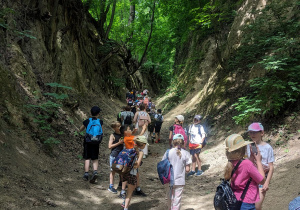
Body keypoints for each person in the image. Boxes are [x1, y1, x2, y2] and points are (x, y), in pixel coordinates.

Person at [224, 134, 266, 209]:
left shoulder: (231, 163)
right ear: (242, 149)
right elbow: (262, 181)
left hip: (235, 201)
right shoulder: (247, 164)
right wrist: (258, 161)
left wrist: (252, 158)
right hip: (247, 203)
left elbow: (244, 172)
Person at [246, 122, 274, 210]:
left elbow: (271, 167)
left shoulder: (267, 147)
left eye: (254, 132)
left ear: (261, 133)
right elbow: (248, 164)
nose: (252, 134)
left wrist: (267, 182)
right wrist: (251, 156)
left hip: (262, 179)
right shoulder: (248, 146)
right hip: (251, 179)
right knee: (252, 205)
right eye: (250, 132)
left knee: (257, 206)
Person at [162, 134, 192, 210]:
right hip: (180, 181)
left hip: (168, 180)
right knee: (177, 200)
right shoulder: (186, 153)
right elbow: (187, 169)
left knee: (169, 198)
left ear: (173, 142)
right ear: (183, 142)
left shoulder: (168, 152)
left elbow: (163, 164)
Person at [123, 136, 148, 210]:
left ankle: (124, 203)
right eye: (145, 144)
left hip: (124, 171)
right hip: (132, 174)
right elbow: (137, 166)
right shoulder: (140, 152)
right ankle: (125, 207)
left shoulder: (128, 148)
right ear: (142, 145)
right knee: (130, 192)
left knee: (127, 189)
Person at [79, 106, 103, 183]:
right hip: (96, 142)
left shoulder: (87, 121)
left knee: (87, 158)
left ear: (90, 113)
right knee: (95, 158)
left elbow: (80, 129)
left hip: (88, 141)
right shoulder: (100, 121)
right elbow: (101, 130)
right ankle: (95, 171)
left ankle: (86, 174)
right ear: (98, 114)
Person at [108, 121, 124, 194]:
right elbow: (109, 146)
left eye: (120, 126)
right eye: (118, 126)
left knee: (122, 170)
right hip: (114, 155)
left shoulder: (123, 134)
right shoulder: (112, 135)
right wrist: (119, 143)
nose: (119, 127)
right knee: (113, 171)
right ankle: (111, 186)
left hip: (121, 155)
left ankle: (121, 184)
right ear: (114, 128)